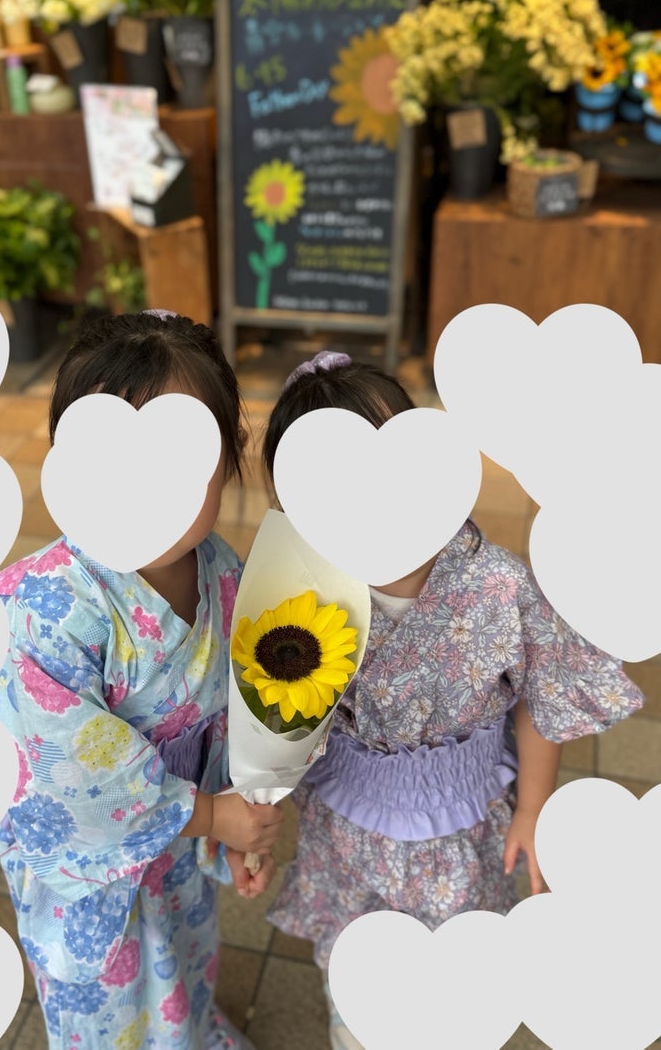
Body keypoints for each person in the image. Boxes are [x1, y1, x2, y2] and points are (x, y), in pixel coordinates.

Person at [261, 351, 645, 1050]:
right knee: (361, 972)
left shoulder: (496, 582)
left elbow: (540, 694)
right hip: (348, 824)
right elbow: (273, 712)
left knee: (468, 977)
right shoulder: (297, 590)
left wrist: (532, 807)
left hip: (467, 819)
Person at [0, 311, 283, 1050]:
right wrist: (212, 817)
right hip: (90, 870)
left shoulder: (226, 574)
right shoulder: (43, 608)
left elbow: (234, 718)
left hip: (181, 843)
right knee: (109, 1011)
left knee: (184, 963)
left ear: (227, 455)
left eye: (181, 459)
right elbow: (69, 776)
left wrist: (239, 819)